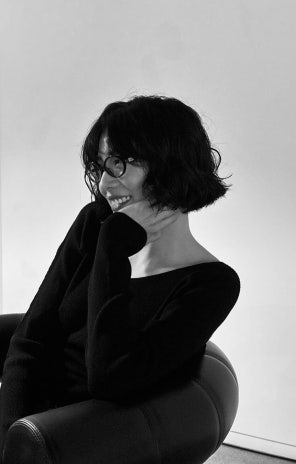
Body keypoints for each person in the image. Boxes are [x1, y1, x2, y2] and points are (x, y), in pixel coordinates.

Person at [0, 96, 240, 458]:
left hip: (79, 439)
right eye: (101, 167)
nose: (103, 186)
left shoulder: (211, 284)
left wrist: (113, 250)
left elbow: (109, 378)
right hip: (23, 433)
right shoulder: (93, 223)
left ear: (169, 164)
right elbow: (30, 338)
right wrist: (9, 438)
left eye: (119, 164)